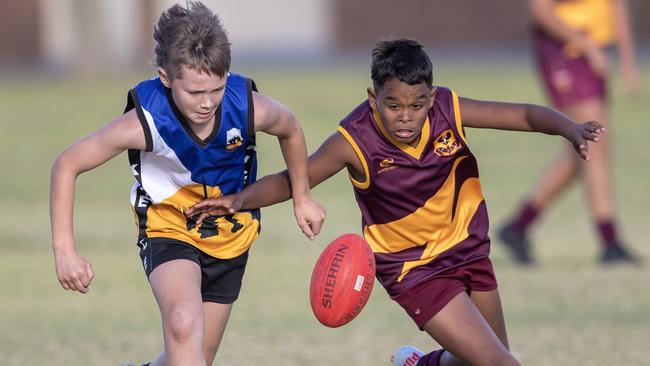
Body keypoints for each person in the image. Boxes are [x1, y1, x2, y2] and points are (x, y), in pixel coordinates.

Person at [185, 39, 605, 366]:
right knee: (500, 362)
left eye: (417, 105)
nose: (406, 117)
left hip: (470, 251)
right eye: (394, 106)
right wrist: (238, 200)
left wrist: (568, 128)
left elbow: (524, 115)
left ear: (431, 96)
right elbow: (295, 179)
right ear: (373, 98)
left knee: (484, 357)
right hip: (414, 270)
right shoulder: (354, 140)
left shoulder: (447, 109)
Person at [49, 2, 325, 366]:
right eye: (195, 93)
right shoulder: (145, 120)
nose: (207, 103)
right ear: (165, 77)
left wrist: (301, 197)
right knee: (183, 324)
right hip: (169, 228)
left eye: (216, 89)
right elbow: (67, 164)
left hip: (230, 235)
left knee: (196, 356)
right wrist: (65, 251)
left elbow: (290, 127)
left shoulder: (246, 106)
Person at [499, 0, 641, 264]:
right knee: (594, 143)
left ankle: (518, 227)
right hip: (565, 49)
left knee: (583, 152)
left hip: (593, 51)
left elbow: (617, 6)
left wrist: (627, 60)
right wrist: (585, 44)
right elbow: (541, 10)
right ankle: (609, 241)